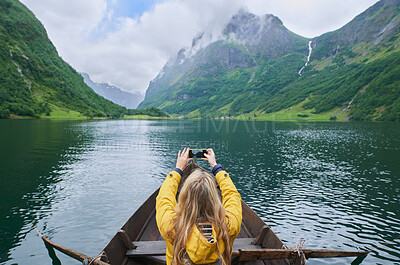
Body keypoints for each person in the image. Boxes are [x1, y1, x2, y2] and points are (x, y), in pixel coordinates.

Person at [156, 148, 242, 265]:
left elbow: (164, 197)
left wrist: (178, 170)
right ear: (214, 199)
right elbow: (232, 195)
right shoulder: (230, 224)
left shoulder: (170, 225)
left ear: (184, 197)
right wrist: (216, 167)